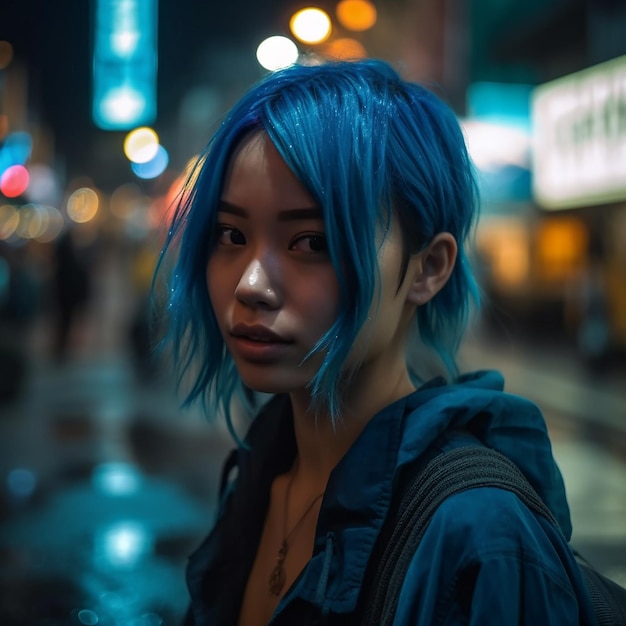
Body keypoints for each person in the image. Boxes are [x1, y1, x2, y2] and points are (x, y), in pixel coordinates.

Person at [156, 59, 596, 625]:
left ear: (427, 269)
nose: (250, 285)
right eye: (231, 235)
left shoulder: (483, 537)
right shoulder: (261, 474)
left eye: (312, 241)